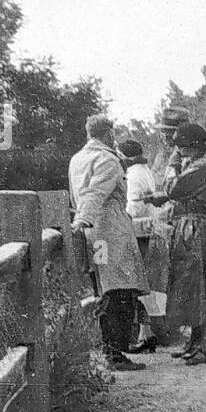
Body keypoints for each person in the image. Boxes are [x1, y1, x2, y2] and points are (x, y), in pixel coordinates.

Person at [69, 115, 150, 371]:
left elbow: (80, 194)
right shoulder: (108, 159)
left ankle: (111, 350)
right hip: (110, 232)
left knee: (104, 291)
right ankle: (115, 353)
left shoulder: (77, 158)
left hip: (93, 234)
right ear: (108, 134)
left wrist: (81, 223)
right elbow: (95, 193)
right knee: (120, 292)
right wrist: (83, 219)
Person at [142, 123, 206, 365]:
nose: (177, 149)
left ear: (190, 146)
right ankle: (196, 341)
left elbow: (174, 188)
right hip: (192, 229)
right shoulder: (198, 167)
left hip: (196, 231)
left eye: (180, 145)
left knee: (199, 285)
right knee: (191, 286)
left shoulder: (204, 168)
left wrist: (172, 165)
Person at [120, 139, 170, 353]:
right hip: (153, 230)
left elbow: (135, 207)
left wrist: (121, 216)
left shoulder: (133, 175)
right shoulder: (144, 170)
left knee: (143, 282)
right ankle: (150, 331)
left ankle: (145, 332)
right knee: (153, 283)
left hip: (142, 233)